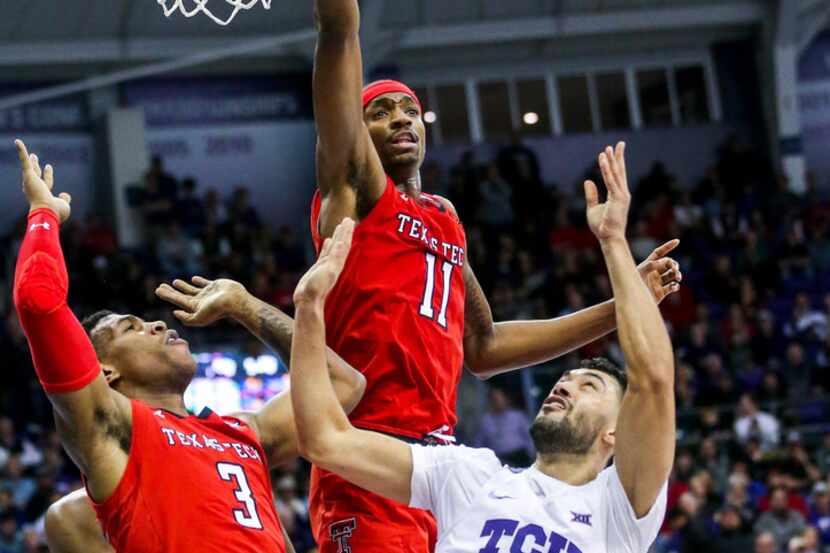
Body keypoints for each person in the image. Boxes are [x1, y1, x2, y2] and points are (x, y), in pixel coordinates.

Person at [310, 2, 682, 550]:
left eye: (410, 110)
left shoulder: (444, 217)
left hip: (436, 463)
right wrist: (340, 20)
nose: (400, 119)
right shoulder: (354, 191)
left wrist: (624, 306)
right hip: (369, 450)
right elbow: (340, 33)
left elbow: (483, 348)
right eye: (380, 111)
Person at [291, 143, 675, 553]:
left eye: (589, 386)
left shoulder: (617, 509)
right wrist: (309, 309)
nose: (564, 386)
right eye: (566, 378)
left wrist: (614, 241)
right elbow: (324, 440)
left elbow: (652, 379)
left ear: (617, 432)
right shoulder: (469, 474)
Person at [10, 140, 365, 553]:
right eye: (132, 328)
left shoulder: (243, 430)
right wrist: (44, 213)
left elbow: (344, 384)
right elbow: (38, 300)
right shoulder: (112, 427)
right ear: (106, 372)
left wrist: (245, 306)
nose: (158, 323)